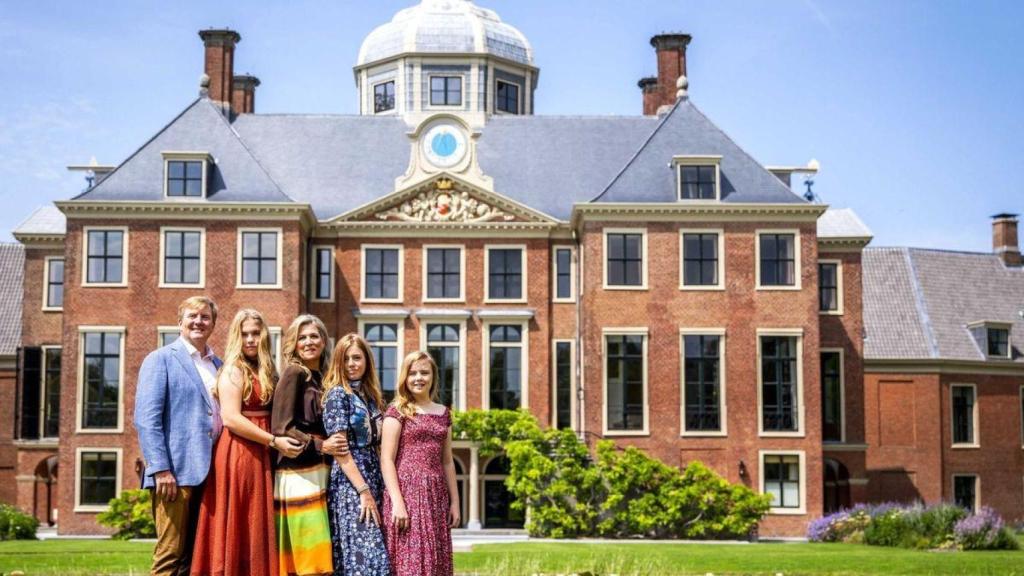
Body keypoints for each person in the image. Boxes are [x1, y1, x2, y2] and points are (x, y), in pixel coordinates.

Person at [191, 309, 304, 576]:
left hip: (264, 450)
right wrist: (274, 441)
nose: (251, 339)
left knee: (258, 521)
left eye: (256, 333)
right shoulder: (233, 369)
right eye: (245, 335)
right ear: (236, 338)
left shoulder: (267, 370)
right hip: (240, 451)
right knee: (242, 518)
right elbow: (230, 418)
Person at [135, 296, 222, 576]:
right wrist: (160, 469)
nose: (198, 321)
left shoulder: (218, 364)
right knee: (170, 555)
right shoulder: (160, 359)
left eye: (205, 317)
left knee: (196, 558)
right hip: (175, 475)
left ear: (213, 324)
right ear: (180, 321)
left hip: (212, 476)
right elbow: (147, 419)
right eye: (192, 316)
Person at [271, 315, 346, 576]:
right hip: (297, 473)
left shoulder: (323, 377)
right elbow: (282, 428)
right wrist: (321, 445)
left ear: (324, 341)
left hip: (319, 471)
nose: (308, 342)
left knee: (318, 553)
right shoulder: (295, 373)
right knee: (308, 558)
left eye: (314, 336)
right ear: (294, 343)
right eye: (302, 337)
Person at [381, 351, 459, 576]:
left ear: (433, 376)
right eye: (412, 373)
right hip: (406, 492)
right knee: (409, 562)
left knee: (436, 560)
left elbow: (447, 462)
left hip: (436, 495)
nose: (418, 378)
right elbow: (386, 459)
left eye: (424, 372)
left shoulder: (444, 413)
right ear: (404, 377)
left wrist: (455, 502)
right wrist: (397, 501)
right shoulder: (397, 411)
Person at [322, 333, 391, 576]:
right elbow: (341, 450)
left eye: (357, 358)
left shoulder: (371, 397)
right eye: (346, 359)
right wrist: (363, 491)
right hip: (352, 483)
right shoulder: (337, 395)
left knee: (376, 552)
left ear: (367, 361)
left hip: (373, 475)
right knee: (368, 556)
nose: (352, 363)